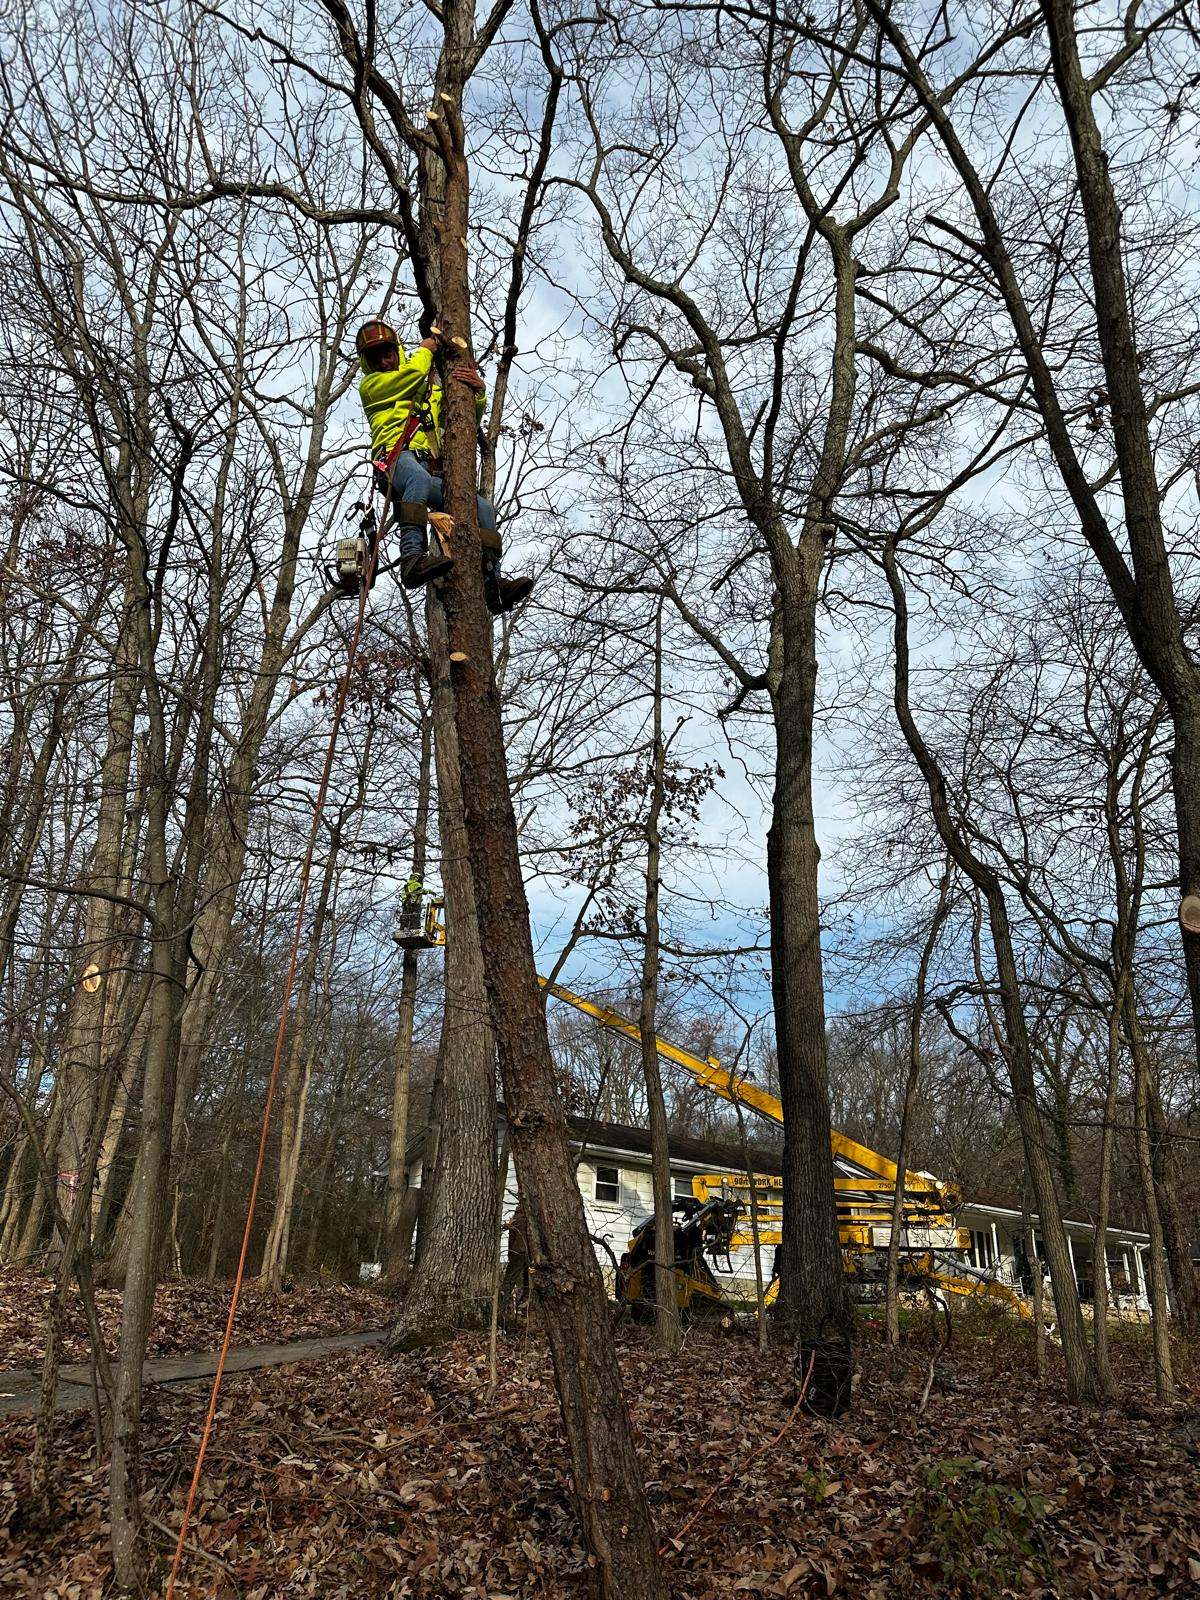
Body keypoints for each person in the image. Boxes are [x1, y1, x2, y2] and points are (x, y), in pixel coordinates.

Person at [356, 318, 534, 612]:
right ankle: (412, 558)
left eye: (388, 353)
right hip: (395, 458)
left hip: (425, 466)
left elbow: (462, 424)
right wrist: (426, 348)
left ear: (396, 351)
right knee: (418, 481)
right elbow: (412, 375)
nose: (385, 361)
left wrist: (477, 395)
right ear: (368, 363)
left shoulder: (424, 388)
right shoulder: (373, 385)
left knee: (483, 508)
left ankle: (492, 585)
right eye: (377, 357)